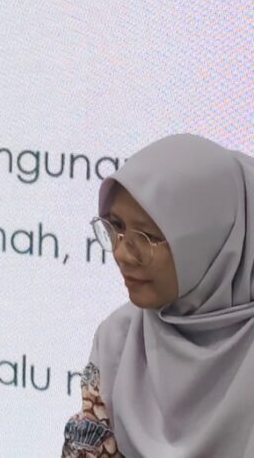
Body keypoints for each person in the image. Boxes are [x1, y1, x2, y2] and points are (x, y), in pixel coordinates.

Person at [62, 133, 254, 457]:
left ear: (215, 240)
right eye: (116, 226)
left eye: (147, 236)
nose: (122, 253)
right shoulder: (119, 337)